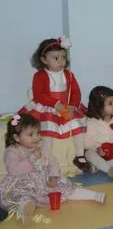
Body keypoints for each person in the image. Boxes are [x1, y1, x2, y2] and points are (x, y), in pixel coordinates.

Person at [0, 114, 105, 225]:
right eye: (31, 134)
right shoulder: (12, 151)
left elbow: (52, 162)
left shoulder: (41, 147)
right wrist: (31, 159)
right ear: (17, 138)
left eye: (38, 133)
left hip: (43, 183)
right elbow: (14, 170)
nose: (37, 137)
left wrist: (53, 175)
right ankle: (25, 214)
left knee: (66, 189)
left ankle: (94, 195)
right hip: (22, 185)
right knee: (24, 199)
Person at [19, 37, 91, 172]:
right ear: (44, 59)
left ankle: (80, 155)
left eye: (64, 57)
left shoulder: (69, 75)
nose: (61, 61)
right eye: (56, 58)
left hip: (65, 106)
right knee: (48, 129)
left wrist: (72, 105)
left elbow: (76, 92)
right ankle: (45, 157)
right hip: (47, 106)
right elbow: (39, 95)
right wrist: (55, 104)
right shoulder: (40, 75)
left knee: (78, 124)